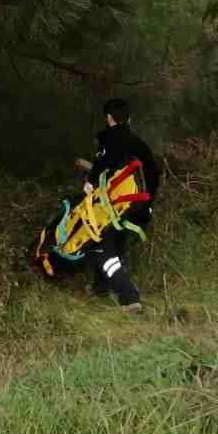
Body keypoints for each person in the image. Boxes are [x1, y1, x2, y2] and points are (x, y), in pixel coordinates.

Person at [81, 96, 160, 311]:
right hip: (136, 206)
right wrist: (148, 205)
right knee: (113, 244)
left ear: (108, 118)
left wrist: (89, 181)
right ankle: (100, 288)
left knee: (101, 249)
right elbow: (153, 174)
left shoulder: (109, 138)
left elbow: (102, 163)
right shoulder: (140, 144)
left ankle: (129, 297)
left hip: (113, 206)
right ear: (129, 119)